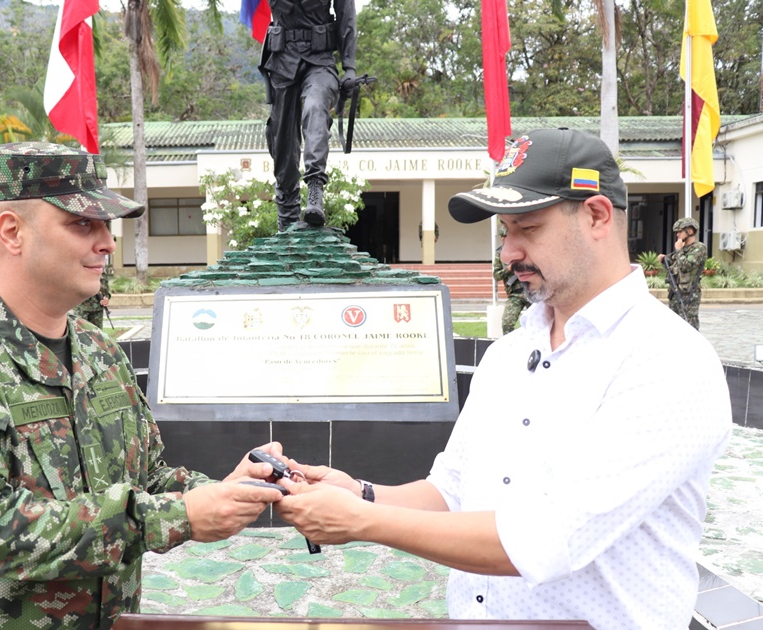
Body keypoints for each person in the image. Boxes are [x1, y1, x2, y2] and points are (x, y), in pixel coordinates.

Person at [273, 129, 732, 630]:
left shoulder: (668, 361)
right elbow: (451, 492)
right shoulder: (508, 354)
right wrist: (359, 493)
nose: (508, 252)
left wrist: (361, 522)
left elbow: (547, 541)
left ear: (597, 216)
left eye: (527, 229)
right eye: (505, 232)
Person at [0, 142, 287, 629]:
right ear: (12, 232)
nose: (107, 242)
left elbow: (145, 479)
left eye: (106, 224)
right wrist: (175, 516)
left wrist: (225, 491)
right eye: (83, 224)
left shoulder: (98, 350)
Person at [260, 0, 357, 230]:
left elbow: (346, 15)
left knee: (315, 105)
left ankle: (315, 189)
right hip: (282, 62)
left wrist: (349, 66)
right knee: (282, 140)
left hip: (319, 61)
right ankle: (286, 217)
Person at [658, 216, 707, 329]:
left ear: (689, 231)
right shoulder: (683, 248)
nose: (677, 235)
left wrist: (679, 250)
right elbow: (674, 265)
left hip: (689, 294)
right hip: (676, 293)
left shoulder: (699, 248)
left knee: (689, 326)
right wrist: (664, 259)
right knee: (675, 326)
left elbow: (685, 266)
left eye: (680, 232)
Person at [492, 223, 531, 334]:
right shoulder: (500, 254)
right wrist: (508, 269)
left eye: (506, 236)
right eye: (502, 236)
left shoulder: (526, 249)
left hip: (531, 292)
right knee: (507, 324)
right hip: (515, 294)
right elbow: (496, 275)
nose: (503, 238)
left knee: (539, 322)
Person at [73, 254, 112, 328]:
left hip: (97, 309)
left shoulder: (102, 274)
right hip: (82, 308)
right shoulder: (79, 272)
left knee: (96, 332)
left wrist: (106, 298)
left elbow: (106, 291)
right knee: (80, 331)